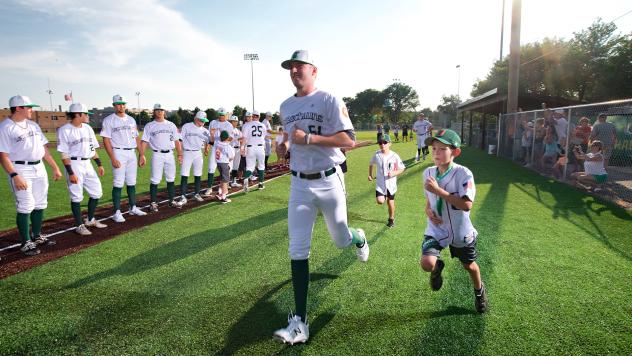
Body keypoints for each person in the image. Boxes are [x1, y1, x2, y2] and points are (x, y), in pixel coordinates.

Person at [273, 49, 369, 345]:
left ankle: (358, 237)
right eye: (290, 67)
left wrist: (311, 139)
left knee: (341, 240)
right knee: (297, 249)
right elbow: (288, 138)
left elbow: (348, 140)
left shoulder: (329, 99)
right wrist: (284, 147)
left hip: (329, 180)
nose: (294, 71)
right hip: (299, 184)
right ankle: (300, 322)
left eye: (299, 66)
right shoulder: (286, 106)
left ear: (314, 70)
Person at [421, 129, 488, 313]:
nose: (436, 152)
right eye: (434, 148)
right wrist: (428, 211)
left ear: (455, 152)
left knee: (469, 266)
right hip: (437, 229)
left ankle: (479, 291)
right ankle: (437, 267)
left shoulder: (463, 174)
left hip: (460, 231)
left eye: (442, 149)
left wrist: (440, 192)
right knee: (427, 263)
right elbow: (428, 200)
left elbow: (467, 205)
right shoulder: (427, 173)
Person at [0, 95, 62, 255]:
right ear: (18, 108)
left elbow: (44, 149)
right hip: (20, 169)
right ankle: (25, 242)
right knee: (26, 204)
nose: (31, 110)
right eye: (28, 107)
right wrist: (15, 175)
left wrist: (55, 167)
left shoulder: (33, 125)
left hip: (39, 167)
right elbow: (3, 156)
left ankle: (36, 235)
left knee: (40, 203)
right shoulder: (5, 127)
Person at [57, 103, 107, 235]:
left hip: (88, 164)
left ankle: (90, 219)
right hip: (74, 164)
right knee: (76, 196)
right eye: (86, 114)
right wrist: (70, 173)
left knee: (97, 192)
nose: (88, 116)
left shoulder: (88, 128)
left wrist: (99, 164)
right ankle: (79, 225)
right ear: (78, 114)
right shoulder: (65, 130)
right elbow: (64, 154)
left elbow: (92, 149)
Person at [100, 94, 147, 222]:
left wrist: (141, 154)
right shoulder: (109, 120)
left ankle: (133, 207)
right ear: (114, 105)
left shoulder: (131, 120)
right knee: (118, 183)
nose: (122, 106)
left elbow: (136, 138)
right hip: (118, 152)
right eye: (119, 104)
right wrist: (113, 158)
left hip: (131, 153)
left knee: (132, 182)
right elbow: (106, 140)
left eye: (123, 103)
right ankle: (117, 212)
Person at [142, 103, 183, 212]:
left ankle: (171, 201)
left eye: (161, 110)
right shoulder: (150, 125)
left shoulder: (171, 125)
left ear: (164, 111)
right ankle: (153, 203)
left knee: (171, 178)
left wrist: (179, 154)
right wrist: (141, 155)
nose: (159, 112)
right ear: (154, 112)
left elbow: (177, 141)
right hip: (157, 154)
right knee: (155, 179)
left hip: (170, 154)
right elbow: (144, 141)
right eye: (157, 110)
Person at [368, 134, 405, 228]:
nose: (382, 144)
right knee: (380, 201)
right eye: (380, 143)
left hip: (391, 184)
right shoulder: (377, 154)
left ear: (390, 144)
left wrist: (394, 173)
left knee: (390, 201)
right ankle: (383, 196)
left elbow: (402, 168)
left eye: (385, 142)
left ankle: (391, 219)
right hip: (380, 184)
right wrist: (370, 175)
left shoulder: (394, 155)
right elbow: (371, 164)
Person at [178, 111, 210, 205]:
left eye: (204, 121)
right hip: (187, 152)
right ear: (196, 119)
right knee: (184, 174)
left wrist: (207, 147)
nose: (203, 122)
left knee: (198, 174)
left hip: (198, 153)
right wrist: (180, 154)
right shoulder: (187, 126)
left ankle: (197, 193)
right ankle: (183, 196)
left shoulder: (205, 130)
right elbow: (180, 140)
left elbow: (209, 141)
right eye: (201, 120)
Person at [206, 108, 233, 196]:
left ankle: (222, 187)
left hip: (223, 148)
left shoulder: (229, 125)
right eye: (220, 114)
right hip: (215, 147)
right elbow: (210, 138)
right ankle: (209, 188)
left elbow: (231, 138)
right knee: (211, 167)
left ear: (226, 115)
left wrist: (223, 140)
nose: (221, 116)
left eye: (223, 115)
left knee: (223, 168)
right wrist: (208, 144)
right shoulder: (213, 122)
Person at [241, 110, 267, 191]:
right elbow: (264, 137)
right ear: (259, 116)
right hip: (260, 147)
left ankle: (246, 178)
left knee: (250, 167)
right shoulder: (263, 125)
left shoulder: (247, 125)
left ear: (252, 116)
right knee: (261, 166)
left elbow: (244, 139)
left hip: (250, 147)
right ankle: (260, 184)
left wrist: (242, 147)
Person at [215, 130, 235, 203]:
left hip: (218, 163)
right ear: (227, 138)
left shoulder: (217, 143)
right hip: (224, 163)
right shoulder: (227, 146)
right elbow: (232, 156)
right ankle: (223, 196)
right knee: (225, 180)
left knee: (222, 178)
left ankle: (220, 192)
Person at [228, 115, 243, 188]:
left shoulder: (238, 130)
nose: (235, 123)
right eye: (234, 121)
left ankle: (234, 181)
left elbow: (241, 139)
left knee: (235, 167)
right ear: (230, 122)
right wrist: (237, 139)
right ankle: (226, 183)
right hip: (231, 149)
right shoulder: (228, 129)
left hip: (237, 149)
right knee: (229, 167)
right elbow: (228, 140)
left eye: (236, 121)